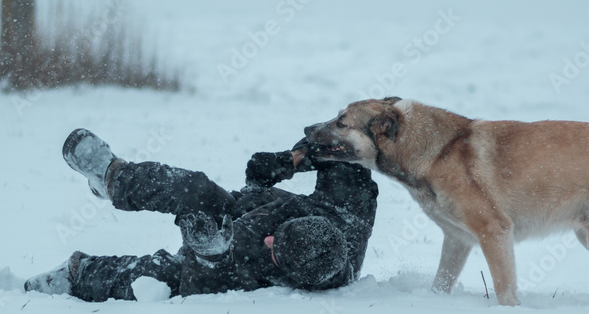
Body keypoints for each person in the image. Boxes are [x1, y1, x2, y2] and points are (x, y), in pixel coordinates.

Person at [24, 129, 378, 301]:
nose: (270, 239)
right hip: (245, 207)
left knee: (162, 280)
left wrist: (210, 255)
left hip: (223, 250)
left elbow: (202, 289)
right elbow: (346, 145)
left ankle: (77, 275)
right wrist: (291, 160)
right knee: (195, 188)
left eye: (275, 250)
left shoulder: (263, 278)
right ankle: (114, 177)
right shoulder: (348, 212)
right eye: (279, 233)